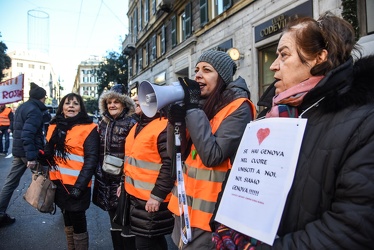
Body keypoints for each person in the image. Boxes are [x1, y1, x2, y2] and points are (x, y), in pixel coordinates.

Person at [213, 12, 374, 249]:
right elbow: (240, 181)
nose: (273, 65)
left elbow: (352, 228)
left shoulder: (362, 123)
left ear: (319, 57)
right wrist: (223, 222)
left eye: (284, 55)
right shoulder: (272, 114)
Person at [167, 50, 256, 249]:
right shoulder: (202, 106)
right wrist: (175, 122)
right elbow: (174, 154)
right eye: (197, 69)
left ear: (222, 78)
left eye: (207, 70)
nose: (198, 74)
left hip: (209, 218)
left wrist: (191, 110)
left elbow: (212, 156)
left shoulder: (239, 107)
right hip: (184, 211)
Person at [41, 93, 99, 250]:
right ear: (62, 107)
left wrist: (79, 187)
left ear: (81, 108)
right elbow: (49, 155)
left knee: (78, 219)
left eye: (75, 103)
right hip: (58, 183)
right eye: (67, 103)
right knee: (66, 216)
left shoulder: (89, 128)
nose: (71, 106)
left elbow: (91, 160)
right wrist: (41, 156)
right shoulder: (54, 127)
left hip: (77, 186)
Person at [123, 97, 175, 250]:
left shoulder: (164, 126)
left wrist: (157, 196)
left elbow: (169, 165)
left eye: (144, 98)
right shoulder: (138, 126)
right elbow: (130, 159)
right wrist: (122, 183)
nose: (135, 99)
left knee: (145, 244)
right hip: (137, 197)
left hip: (151, 199)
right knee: (154, 241)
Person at [92, 84, 137, 250]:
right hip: (105, 178)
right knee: (113, 219)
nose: (112, 105)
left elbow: (134, 155)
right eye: (109, 102)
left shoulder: (132, 123)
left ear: (124, 104)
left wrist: (124, 180)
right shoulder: (103, 123)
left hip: (122, 180)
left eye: (116, 102)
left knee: (126, 220)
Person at [0, 82, 47, 227]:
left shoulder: (22, 107)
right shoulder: (35, 110)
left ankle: (0, 213)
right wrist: (31, 157)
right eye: (45, 97)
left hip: (19, 151)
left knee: (10, 182)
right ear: (41, 98)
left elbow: (15, 128)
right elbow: (28, 134)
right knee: (49, 179)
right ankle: (64, 209)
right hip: (29, 152)